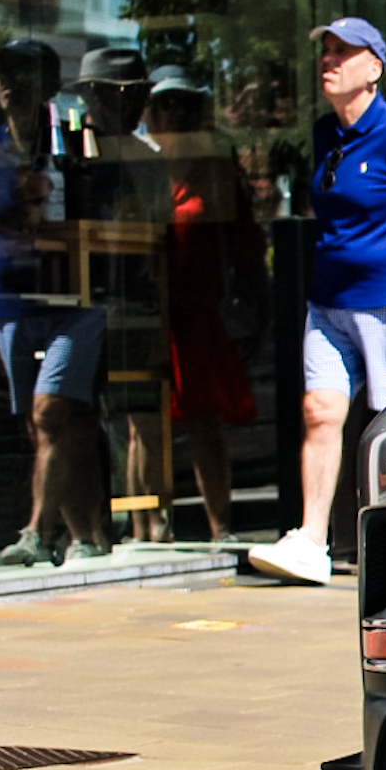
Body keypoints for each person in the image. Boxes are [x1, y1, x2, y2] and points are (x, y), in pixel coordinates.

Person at [245, 19, 386, 587]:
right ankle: (312, 540)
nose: (329, 61)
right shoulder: (324, 133)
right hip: (329, 303)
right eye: (326, 52)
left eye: (343, 52)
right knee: (320, 411)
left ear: (375, 69)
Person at [0, 39, 113, 568]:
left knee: (50, 411)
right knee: (54, 425)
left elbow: (100, 216)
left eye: (24, 74)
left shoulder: (74, 144)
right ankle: (88, 533)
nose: (9, 83)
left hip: (72, 299)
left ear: (48, 87)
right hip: (11, 301)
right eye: (3, 73)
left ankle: (35, 531)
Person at [134, 63, 261, 543]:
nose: (174, 112)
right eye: (164, 102)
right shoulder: (140, 166)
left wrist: (255, 300)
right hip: (149, 314)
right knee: (144, 426)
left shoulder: (215, 168)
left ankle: (219, 527)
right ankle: (148, 529)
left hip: (198, 314)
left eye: (184, 102)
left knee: (205, 424)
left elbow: (245, 240)